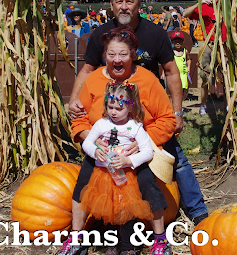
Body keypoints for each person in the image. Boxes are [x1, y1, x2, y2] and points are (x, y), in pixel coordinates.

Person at [68, 0, 208, 226]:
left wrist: (176, 112)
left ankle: (197, 210)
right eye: (119, 2)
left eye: (129, 2)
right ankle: (106, 223)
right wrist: (74, 101)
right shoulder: (101, 35)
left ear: (138, 5)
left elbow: (172, 72)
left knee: (178, 160)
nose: (124, 7)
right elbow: (87, 70)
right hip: (112, 121)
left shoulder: (155, 34)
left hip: (149, 117)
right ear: (111, 6)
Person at [66, 29, 174, 255]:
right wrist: (93, 144)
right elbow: (80, 119)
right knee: (84, 184)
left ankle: (158, 240)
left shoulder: (147, 79)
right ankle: (76, 238)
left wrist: (142, 143)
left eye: (123, 54)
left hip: (136, 152)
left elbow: (167, 118)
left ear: (133, 54)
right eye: (112, 54)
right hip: (101, 152)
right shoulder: (94, 79)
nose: (117, 60)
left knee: (145, 186)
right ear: (104, 54)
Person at [59, 80, 165, 255]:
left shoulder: (136, 127)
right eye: (110, 107)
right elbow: (87, 143)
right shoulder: (102, 124)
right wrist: (95, 152)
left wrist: (128, 161)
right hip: (103, 174)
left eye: (118, 109)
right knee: (108, 210)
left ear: (130, 108)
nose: (113, 112)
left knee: (125, 209)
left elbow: (147, 152)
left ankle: (128, 246)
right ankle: (110, 244)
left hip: (125, 174)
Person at [182, 0, 227, 117]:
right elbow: (185, 14)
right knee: (205, 76)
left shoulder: (226, 6)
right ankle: (203, 105)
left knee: (226, 76)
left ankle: (228, 104)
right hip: (209, 44)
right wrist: (200, 2)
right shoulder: (205, 8)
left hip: (224, 45)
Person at [170, 31, 190, 104]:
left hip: (183, 74)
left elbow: (188, 59)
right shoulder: (171, 52)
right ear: (172, 42)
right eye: (175, 41)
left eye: (179, 41)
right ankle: (174, 105)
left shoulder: (185, 51)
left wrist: (188, 68)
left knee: (182, 91)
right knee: (174, 91)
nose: (178, 43)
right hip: (174, 75)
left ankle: (179, 105)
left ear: (183, 42)